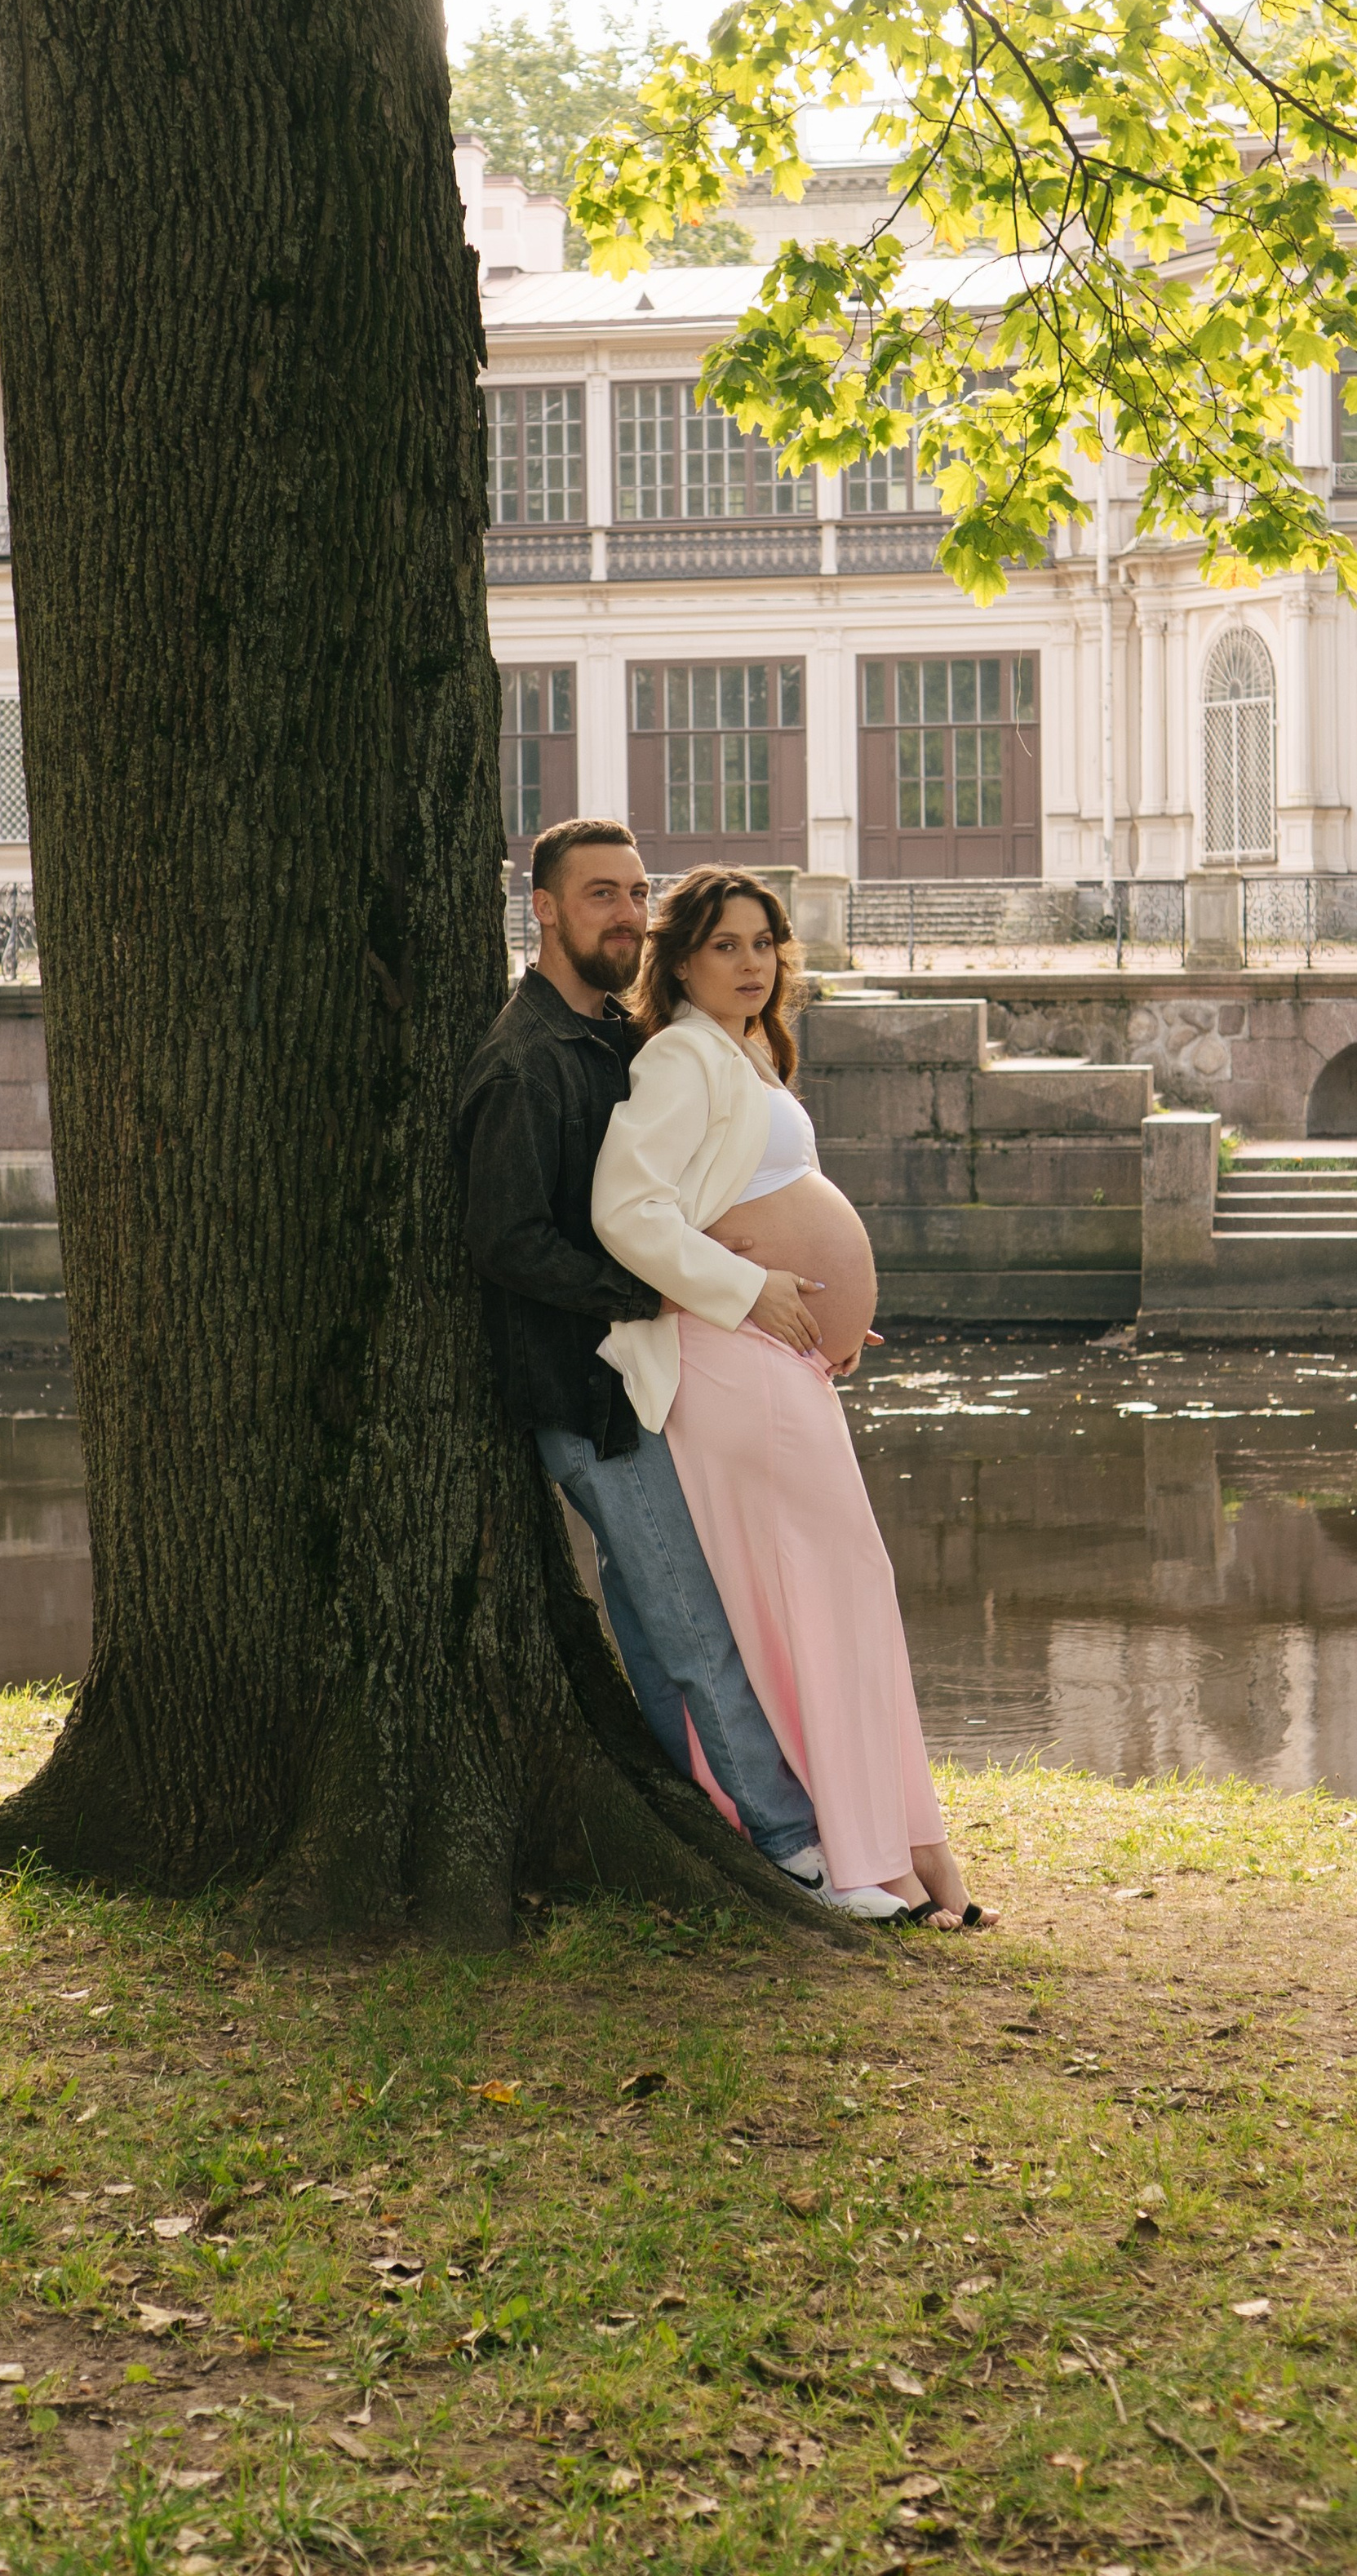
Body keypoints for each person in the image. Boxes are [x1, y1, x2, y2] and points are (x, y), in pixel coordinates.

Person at [457, 817, 861, 1908]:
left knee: (651, 1611)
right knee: (689, 1618)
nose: (627, 915)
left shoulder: (611, 1039)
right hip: (589, 1393)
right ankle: (792, 1847)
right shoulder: (526, 1060)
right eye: (600, 896)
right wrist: (668, 1287)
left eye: (638, 894)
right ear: (542, 907)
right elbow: (507, 1241)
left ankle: (702, 1809)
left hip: (646, 1374)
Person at [592, 863, 996, 1930]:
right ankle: (856, 1854)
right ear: (678, 961)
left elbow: (744, 1197)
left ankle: (913, 1856)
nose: (753, 962)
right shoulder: (680, 1057)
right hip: (726, 1358)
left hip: (776, 1356)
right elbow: (626, 1212)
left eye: (765, 942)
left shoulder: (749, 1055)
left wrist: (827, 1306)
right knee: (813, 1591)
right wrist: (756, 1287)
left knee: (839, 1585)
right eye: (725, 944)